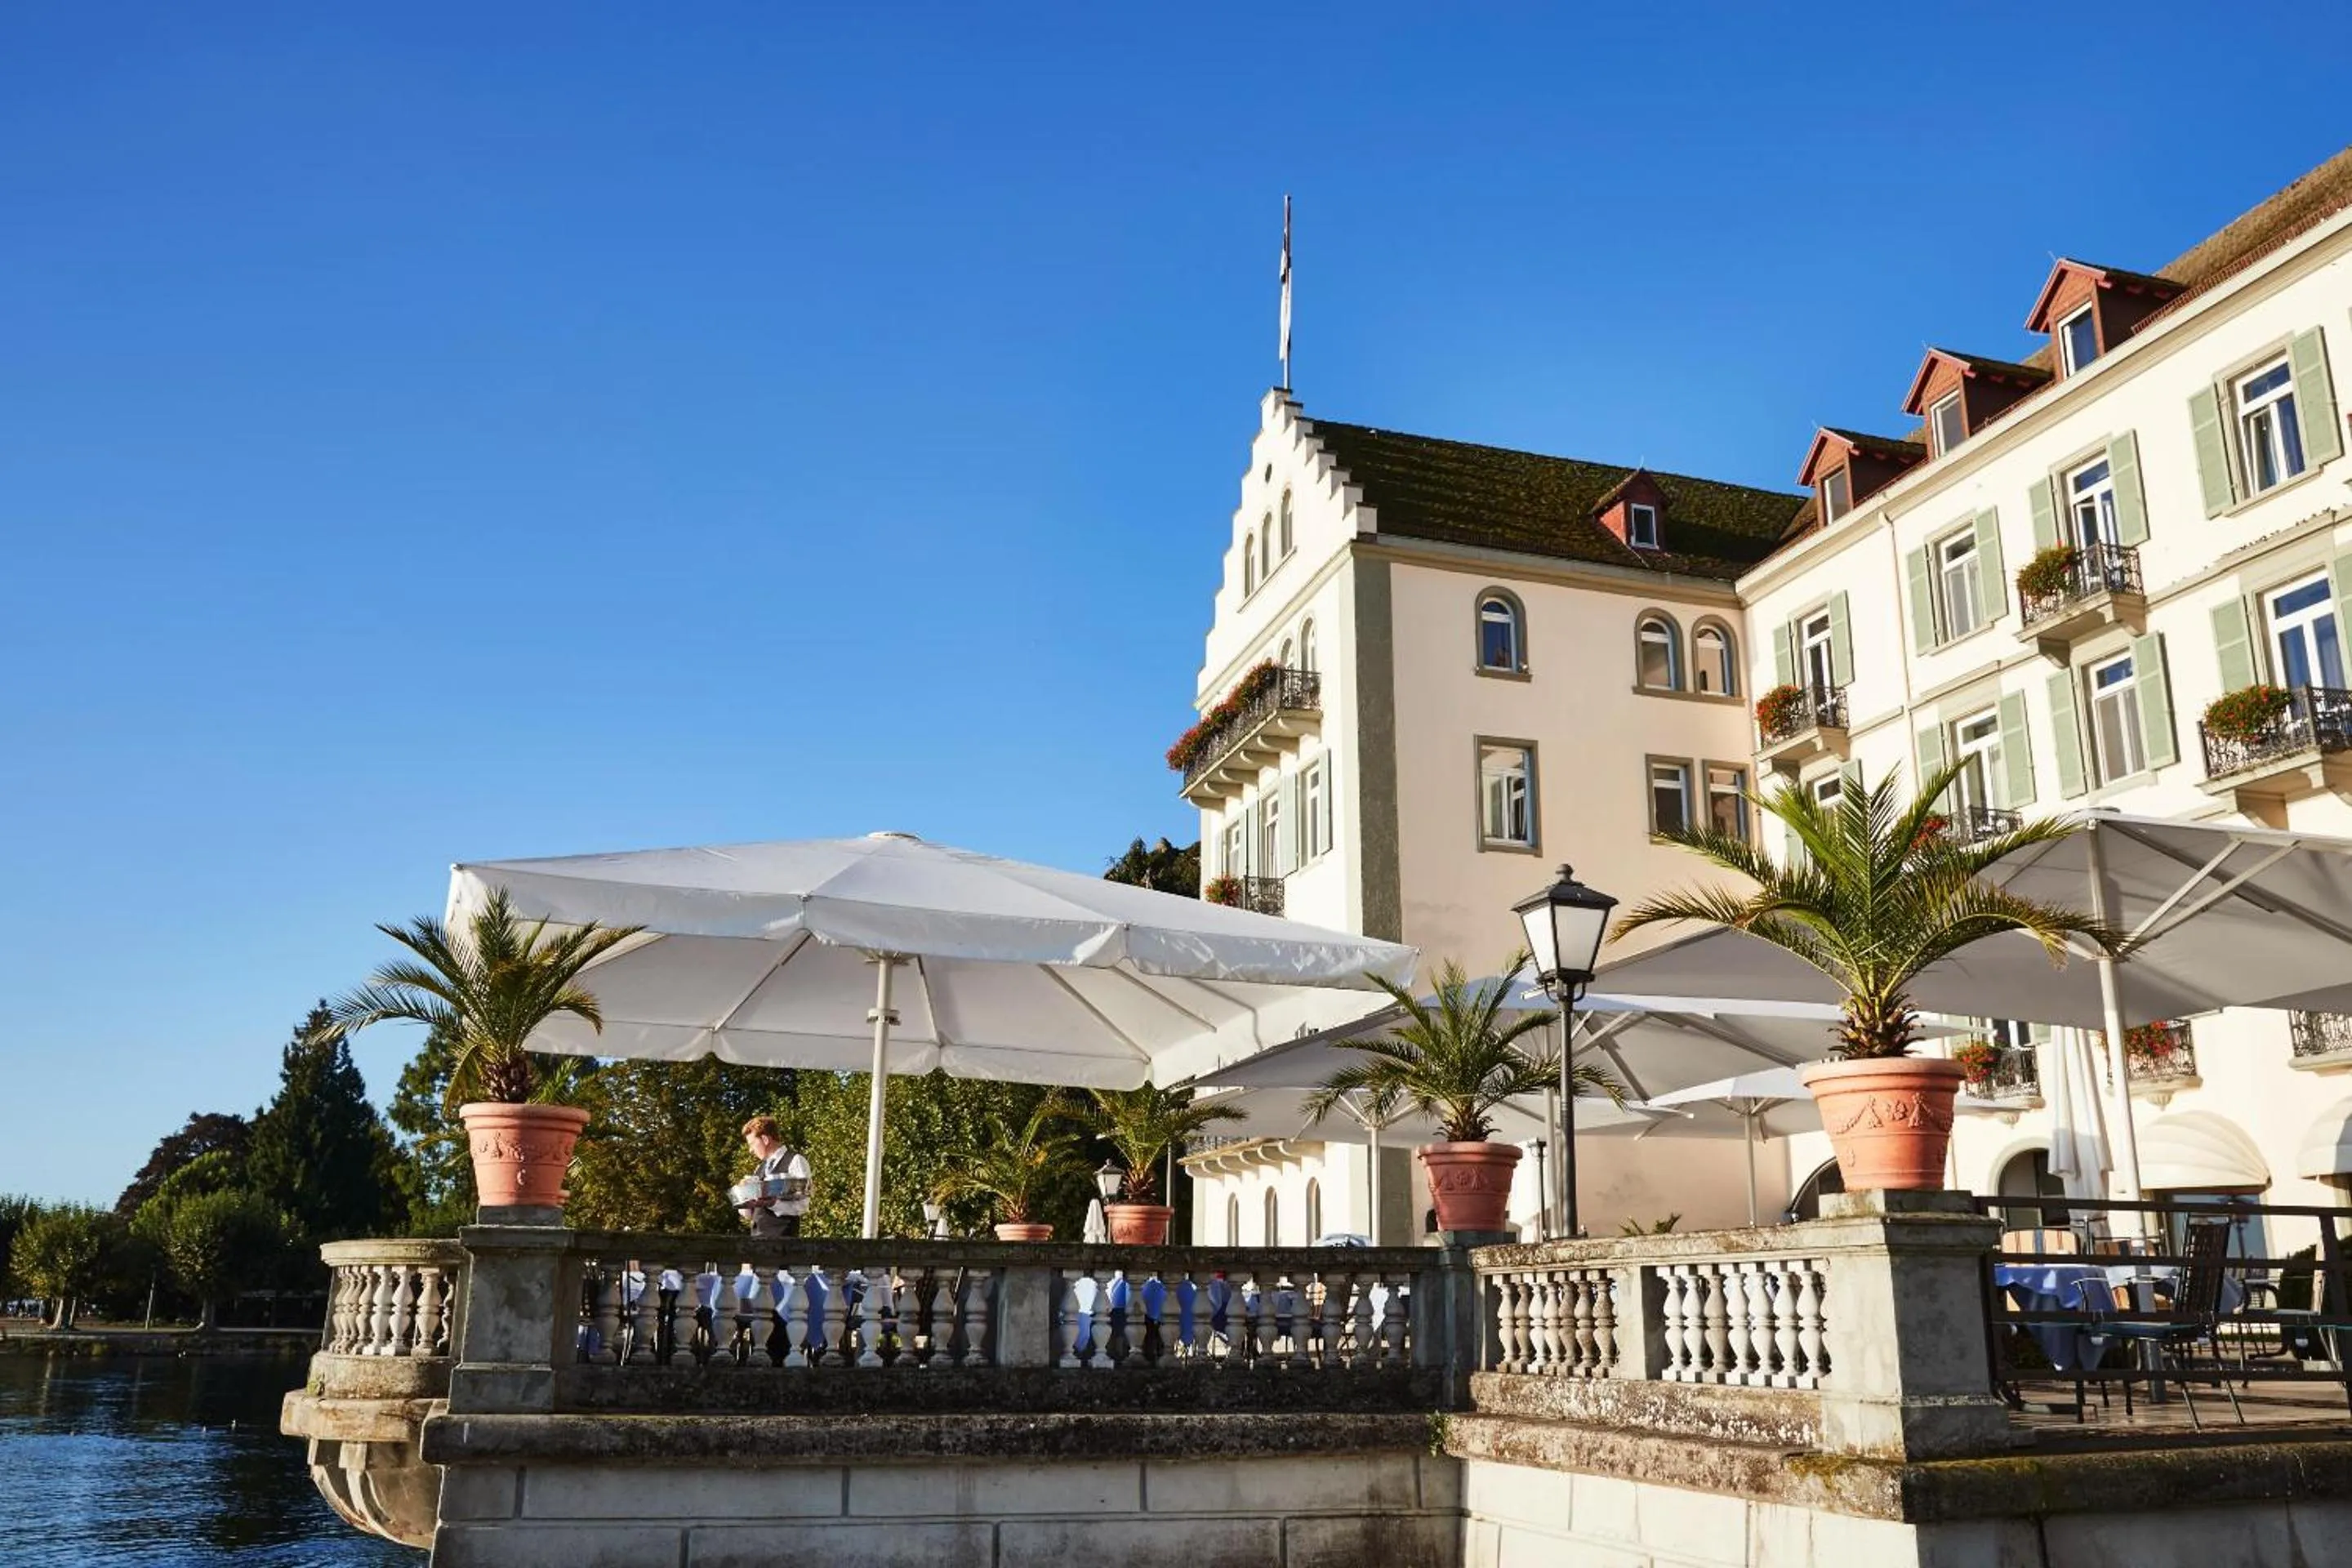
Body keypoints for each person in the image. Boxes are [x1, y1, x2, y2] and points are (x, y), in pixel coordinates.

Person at [737, 1115, 811, 1237]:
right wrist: (744, 1197)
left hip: (784, 1244)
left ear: (765, 1140)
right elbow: (750, 1215)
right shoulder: (759, 1169)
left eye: (752, 1144)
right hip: (756, 1243)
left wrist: (773, 1204)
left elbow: (802, 1206)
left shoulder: (795, 1161)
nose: (750, 1150)